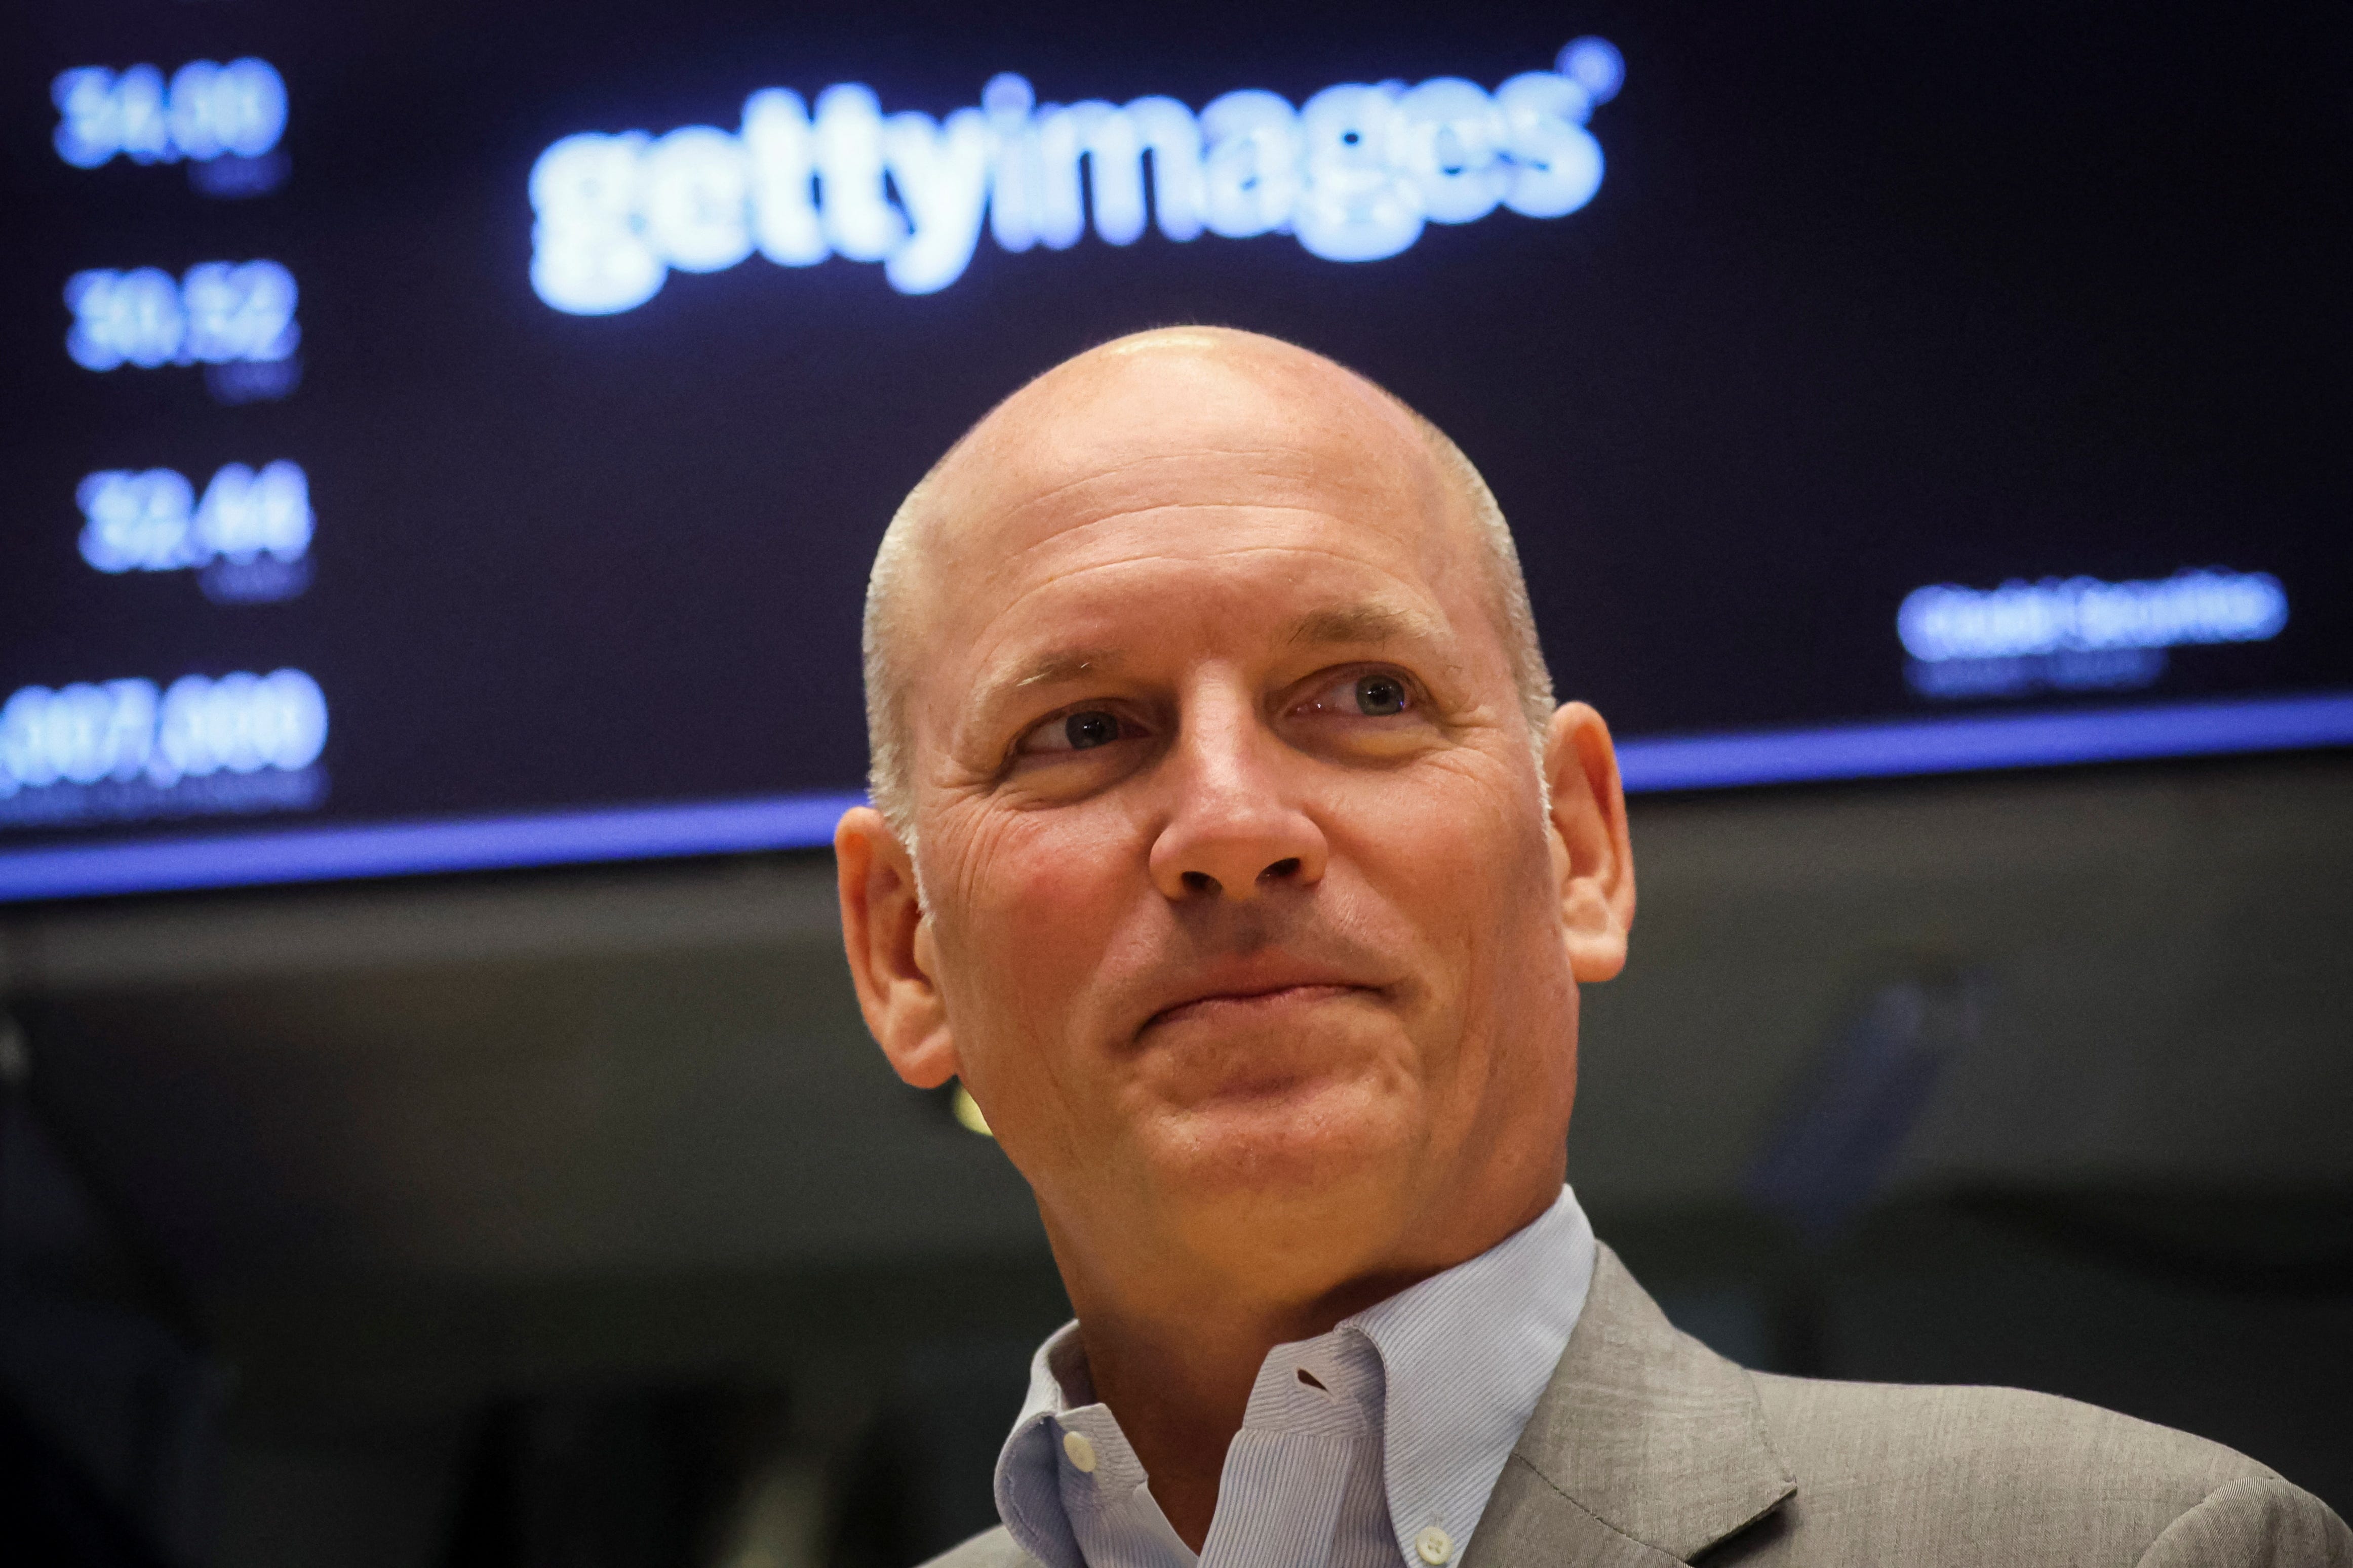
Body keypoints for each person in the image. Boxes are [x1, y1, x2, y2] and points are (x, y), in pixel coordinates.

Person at [833, 327, 2349, 1567]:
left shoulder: (2137, 1550)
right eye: (1084, 730)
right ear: (904, 949)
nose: (1231, 821)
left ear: (1579, 845)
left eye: (1363, 695)